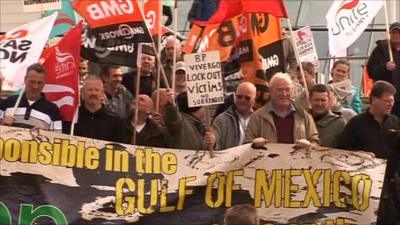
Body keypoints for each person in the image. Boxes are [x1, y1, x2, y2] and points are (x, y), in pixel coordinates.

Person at [337, 81, 400, 224]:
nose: (391, 104)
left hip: (391, 186)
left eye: (393, 101)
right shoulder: (356, 123)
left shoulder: (395, 122)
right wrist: (358, 154)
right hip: (364, 187)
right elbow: (341, 150)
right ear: (374, 99)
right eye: (387, 101)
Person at [245, 72, 319, 148]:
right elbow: (246, 146)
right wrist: (254, 144)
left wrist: (309, 145)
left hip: (298, 159)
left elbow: (316, 143)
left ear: (292, 90)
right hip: (268, 159)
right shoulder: (258, 117)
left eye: (287, 89)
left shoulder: (303, 114)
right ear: (271, 91)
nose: (284, 94)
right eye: (279, 90)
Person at [0, 63, 62, 132]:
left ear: (44, 83)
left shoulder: (53, 109)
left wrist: (44, 134)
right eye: (32, 82)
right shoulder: (8, 102)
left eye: (39, 83)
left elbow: (57, 139)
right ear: (25, 80)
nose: (35, 86)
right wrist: (3, 125)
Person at [74, 75, 127, 143]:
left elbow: (121, 148)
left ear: (102, 93)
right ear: (82, 93)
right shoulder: (73, 117)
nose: (93, 93)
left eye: (97, 90)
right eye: (89, 90)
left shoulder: (115, 120)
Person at [367, 22, 400, 117]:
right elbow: (371, 72)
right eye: (394, 33)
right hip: (385, 99)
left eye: (398, 33)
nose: (396, 35)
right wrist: (384, 67)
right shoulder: (380, 50)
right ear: (389, 33)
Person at [213, 82, 256, 150]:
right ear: (235, 97)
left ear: (254, 101)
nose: (242, 100)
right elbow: (215, 147)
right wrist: (213, 143)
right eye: (239, 97)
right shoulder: (221, 120)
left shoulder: (260, 120)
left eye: (247, 98)